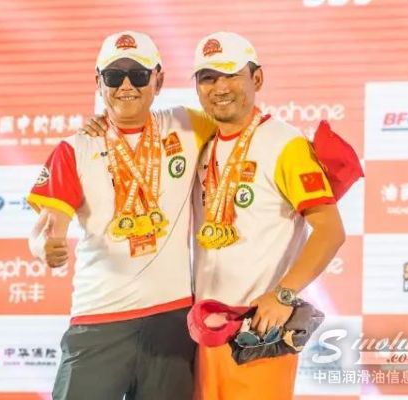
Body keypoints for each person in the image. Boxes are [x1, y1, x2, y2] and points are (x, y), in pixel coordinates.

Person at [27, 31, 216, 400]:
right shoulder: (75, 148)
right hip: (99, 320)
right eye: (114, 76)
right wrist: (44, 247)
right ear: (99, 82)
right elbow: (47, 229)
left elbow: (240, 125)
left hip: (171, 321)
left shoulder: (189, 125)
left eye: (138, 75)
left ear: (158, 80)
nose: (126, 86)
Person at [190, 32, 346, 400]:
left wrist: (284, 294)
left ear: (256, 78)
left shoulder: (285, 143)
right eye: (208, 77)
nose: (220, 87)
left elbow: (330, 230)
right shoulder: (201, 141)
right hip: (203, 329)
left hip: (258, 331)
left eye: (231, 75)